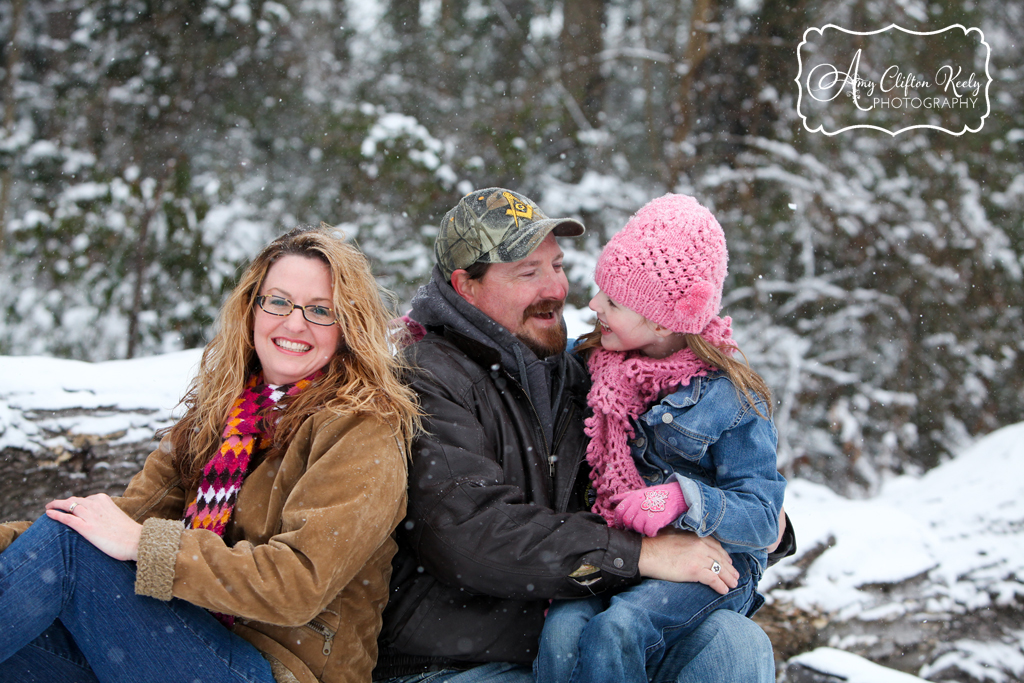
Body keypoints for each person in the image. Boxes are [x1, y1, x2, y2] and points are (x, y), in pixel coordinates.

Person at [374, 188, 794, 683]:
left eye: (557, 266)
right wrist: (642, 555)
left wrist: (751, 520)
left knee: (736, 646)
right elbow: (470, 533)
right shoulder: (427, 378)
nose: (556, 288)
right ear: (466, 286)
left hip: (578, 627)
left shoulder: (586, 370)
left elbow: (692, 464)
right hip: (464, 659)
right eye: (529, 272)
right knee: (580, 638)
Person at [0, 224, 421, 683]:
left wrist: (143, 544)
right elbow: (118, 521)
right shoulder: (221, 416)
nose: (294, 323)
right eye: (278, 301)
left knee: (66, 550)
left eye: (321, 310)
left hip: (276, 672)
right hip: (184, 641)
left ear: (348, 327)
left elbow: (296, 584)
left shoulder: (363, 427)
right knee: (25, 641)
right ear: (252, 309)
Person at [533, 194, 786, 683]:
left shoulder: (730, 398)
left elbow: (763, 517)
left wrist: (682, 499)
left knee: (618, 629)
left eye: (614, 300)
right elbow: (512, 356)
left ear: (665, 319)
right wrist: (431, 333)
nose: (593, 304)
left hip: (710, 565)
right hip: (630, 553)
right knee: (563, 630)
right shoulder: (594, 363)